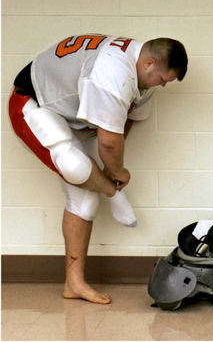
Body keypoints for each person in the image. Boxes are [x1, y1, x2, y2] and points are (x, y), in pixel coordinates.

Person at [8, 34, 188, 305]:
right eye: (162, 79)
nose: (162, 85)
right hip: (35, 102)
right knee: (76, 167)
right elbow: (108, 141)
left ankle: (74, 283)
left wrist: (108, 168)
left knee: (86, 199)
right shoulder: (114, 70)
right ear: (149, 63)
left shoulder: (140, 73)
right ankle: (114, 196)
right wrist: (117, 176)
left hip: (72, 118)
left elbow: (124, 120)